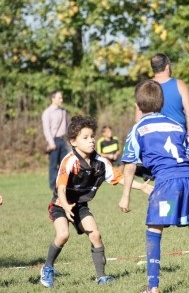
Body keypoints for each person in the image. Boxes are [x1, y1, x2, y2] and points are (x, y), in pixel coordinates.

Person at [120, 80, 189, 293]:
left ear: (139, 106)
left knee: (154, 230)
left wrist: (126, 196)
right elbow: (187, 155)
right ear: (162, 103)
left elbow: (130, 165)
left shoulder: (138, 129)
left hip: (167, 186)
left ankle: (153, 287)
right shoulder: (175, 125)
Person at [40, 116, 152, 288]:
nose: (91, 140)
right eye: (85, 138)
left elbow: (118, 177)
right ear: (73, 141)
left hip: (80, 206)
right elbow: (61, 188)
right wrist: (65, 204)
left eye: (92, 136)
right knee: (63, 235)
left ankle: (101, 277)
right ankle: (47, 268)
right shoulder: (70, 160)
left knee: (95, 235)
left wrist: (141, 187)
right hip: (60, 205)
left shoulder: (100, 162)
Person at [148, 52, 189, 135]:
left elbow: (138, 118)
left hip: (153, 135)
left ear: (153, 69)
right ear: (167, 67)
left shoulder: (145, 87)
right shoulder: (180, 85)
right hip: (177, 134)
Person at [42, 89, 69, 191]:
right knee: (53, 165)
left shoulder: (63, 112)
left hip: (63, 140)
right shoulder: (47, 113)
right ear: (53, 99)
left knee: (64, 164)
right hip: (54, 141)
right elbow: (46, 129)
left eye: (61, 98)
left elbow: (66, 127)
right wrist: (51, 142)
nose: (61, 100)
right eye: (59, 98)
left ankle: (64, 184)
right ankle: (53, 186)